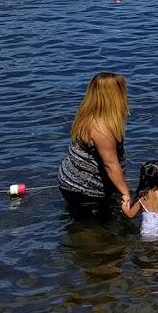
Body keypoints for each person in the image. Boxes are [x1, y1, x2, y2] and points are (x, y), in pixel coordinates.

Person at [56, 72, 134, 219]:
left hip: (71, 180)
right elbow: (110, 164)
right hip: (85, 189)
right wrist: (125, 192)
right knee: (96, 226)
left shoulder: (86, 115)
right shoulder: (102, 129)